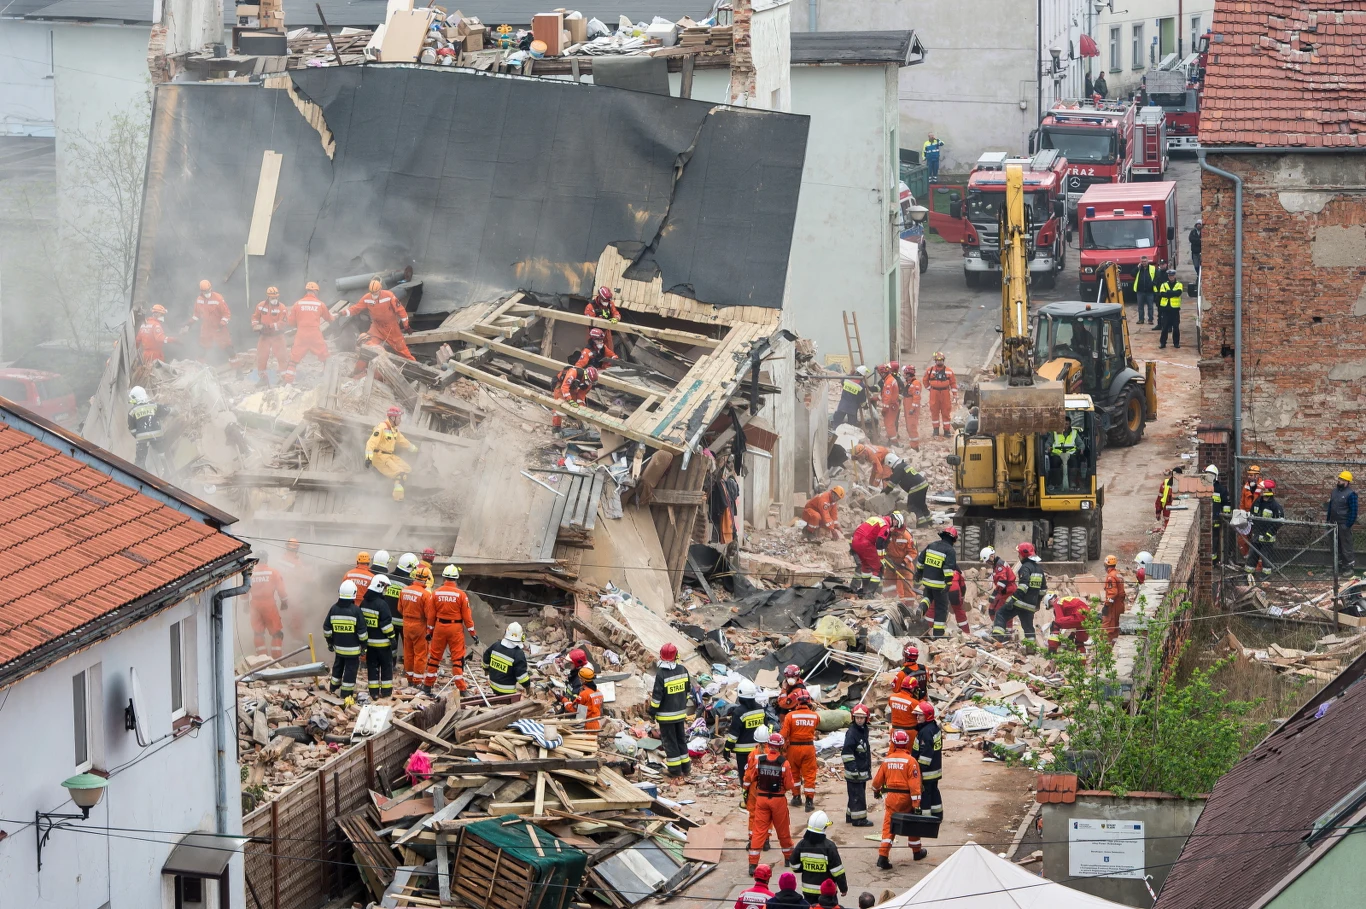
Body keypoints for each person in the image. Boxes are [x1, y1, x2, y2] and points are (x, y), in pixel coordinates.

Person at [872, 730, 925, 869]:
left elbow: (876, 782)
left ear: (893, 743)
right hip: (906, 798)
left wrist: (876, 792)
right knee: (912, 824)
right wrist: (916, 804)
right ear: (907, 743)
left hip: (891, 798)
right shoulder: (911, 761)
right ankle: (917, 852)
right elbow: (915, 784)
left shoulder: (887, 760)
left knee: (889, 827)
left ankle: (883, 856)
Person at [746, 732, 797, 872]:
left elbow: (752, 777)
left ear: (768, 745)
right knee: (783, 830)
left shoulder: (759, 761)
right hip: (778, 799)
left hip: (761, 799)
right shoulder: (784, 763)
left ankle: (753, 864)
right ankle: (788, 857)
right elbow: (789, 784)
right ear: (780, 747)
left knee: (758, 831)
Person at [650, 642, 700, 778]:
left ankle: (674, 771)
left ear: (661, 656)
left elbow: (656, 698)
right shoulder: (683, 670)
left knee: (670, 742)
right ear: (676, 655)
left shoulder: (661, 674)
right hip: (680, 714)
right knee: (681, 740)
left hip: (666, 717)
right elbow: (687, 692)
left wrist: (651, 712)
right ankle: (686, 768)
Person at [423, 565, 475, 693]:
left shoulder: (436, 593)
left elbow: (431, 616)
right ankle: (462, 689)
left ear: (444, 577)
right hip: (455, 628)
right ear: (456, 579)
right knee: (457, 658)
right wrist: (473, 633)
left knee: (435, 657)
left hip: (439, 627)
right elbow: (467, 617)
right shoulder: (461, 595)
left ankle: (427, 686)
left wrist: (429, 631)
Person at [788, 811, 848, 903]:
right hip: (827, 893)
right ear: (824, 827)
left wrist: (806, 867)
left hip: (807, 892)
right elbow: (837, 871)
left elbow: (794, 866)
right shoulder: (829, 846)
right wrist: (843, 888)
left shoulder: (802, 844)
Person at [324, 580, 368, 703]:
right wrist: (364, 646)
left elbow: (327, 628)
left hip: (339, 648)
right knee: (350, 670)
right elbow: (362, 632)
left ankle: (333, 687)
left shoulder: (333, 609)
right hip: (352, 650)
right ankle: (346, 693)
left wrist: (330, 642)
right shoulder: (356, 611)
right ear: (354, 594)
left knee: (338, 666)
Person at [348, 277, 414, 360]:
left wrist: (406, 325)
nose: (373, 295)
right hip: (376, 326)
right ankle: (368, 364)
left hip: (391, 327)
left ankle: (415, 366)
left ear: (380, 289)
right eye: (372, 293)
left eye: (375, 293)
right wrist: (343, 313)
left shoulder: (389, 296)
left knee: (402, 351)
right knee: (369, 346)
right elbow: (356, 308)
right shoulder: (367, 298)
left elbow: (400, 310)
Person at [284, 282, 335, 384]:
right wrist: (334, 316)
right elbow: (329, 318)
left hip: (301, 334)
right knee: (324, 355)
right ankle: (327, 377)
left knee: (294, 358)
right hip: (315, 334)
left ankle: (288, 381)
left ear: (307, 291)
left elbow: (291, 322)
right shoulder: (320, 304)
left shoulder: (297, 304)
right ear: (316, 291)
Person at [915, 525, 960, 638]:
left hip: (927, 581)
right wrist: (948, 583)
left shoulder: (932, 545)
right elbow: (948, 569)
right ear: (953, 539)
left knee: (928, 597)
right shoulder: (950, 551)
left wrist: (918, 573)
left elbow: (920, 559)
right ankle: (938, 634)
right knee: (942, 607)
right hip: (939, 584)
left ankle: (921, 608)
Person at [779, 689, 822, 810]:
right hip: (808, 748)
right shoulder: (815, 716)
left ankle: (796, 797)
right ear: (809, 701)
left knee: (794, 773)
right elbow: (816, 726)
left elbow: (784, 734)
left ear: (796, 702)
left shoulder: (790, 716)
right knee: (809, 774)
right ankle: (809, 801)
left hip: (793, 748)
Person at [366, 405, 419, 501]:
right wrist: (368, 458)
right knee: (399, 474)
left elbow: (403, 441)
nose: (400, 420)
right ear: (392, 418)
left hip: (389, 456)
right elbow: (371, 443)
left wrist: (415, 449)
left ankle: (399, 487)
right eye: (399, 418)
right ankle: (398, 498)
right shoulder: (381, 427)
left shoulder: (394, 429)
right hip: (379, 457)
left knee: (408, 469)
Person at [995, 542, 1044, 643]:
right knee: (1028, 627)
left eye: (1019, 553)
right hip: (1031, 605)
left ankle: (997, 637)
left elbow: (1023, 587)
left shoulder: (1024, 568)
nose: (1018, 555)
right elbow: (1043, 590)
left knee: (1001, 613)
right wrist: (1037, 604)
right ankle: (1031, 647)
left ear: (1023, 554)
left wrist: (1013, 600)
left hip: (1020, 602)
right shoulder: (1040, 570)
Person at [360, 575, 397, 700]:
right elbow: (386, 625)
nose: (386, 590)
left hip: (370, 644)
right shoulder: (382, 604)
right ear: (380, 587)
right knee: (386, 667)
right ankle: (386, 692)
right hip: (383, 644)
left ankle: (374, 692)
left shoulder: (364, 603)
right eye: (385, 587)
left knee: (372, 667)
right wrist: (392, 638)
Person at [725, 680, 769, 781]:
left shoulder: (738, 712)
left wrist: (727, 749)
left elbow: (733, 735)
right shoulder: (760, 709)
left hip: (743, 753)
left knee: (746, 776)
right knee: (759, 775)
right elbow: (765, 728)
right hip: (760, 749)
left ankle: (747, 796)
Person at [249, 552, 289, 658]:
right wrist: (284, 602)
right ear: (266, 559)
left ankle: (262, 660)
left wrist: (244, 605)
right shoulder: (273, 572)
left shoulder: (250, 573)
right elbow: (281, 590)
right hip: (269, 605)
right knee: (277, 633)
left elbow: (244, 591)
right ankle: (276, 659)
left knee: (258, 633)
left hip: (254, 605)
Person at [398, 567, 434, 684]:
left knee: (408, 651)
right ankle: (417, 679)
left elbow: (400, 608)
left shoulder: (404, 590)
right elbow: (429, 614)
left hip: (406, 625)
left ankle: (409, 677)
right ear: (426, 579)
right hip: (419, 625)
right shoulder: (425, 594)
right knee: (420, 653)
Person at [841, 704, 873, 827]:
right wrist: (853, 769)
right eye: (857, 717)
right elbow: (847, 753)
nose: (859, 720)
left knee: (854, 795)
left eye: (862, 717)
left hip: (861, 770)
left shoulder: (863, 730)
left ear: (866, 718)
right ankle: (859, 819)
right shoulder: (852, 733)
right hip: (855, 772)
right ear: (853, 718)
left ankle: (850, 815)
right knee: (857, 796)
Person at [251, 286, 289, 385]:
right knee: (261, 358)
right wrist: (255, 325)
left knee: (282, 357)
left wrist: (269, 326)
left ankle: (284, 378)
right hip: (264, 337)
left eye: (276, 298)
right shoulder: (260, 306)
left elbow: (282, 323)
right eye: (272, 298)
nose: (274, 300)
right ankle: (263, 379)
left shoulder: (282, 308)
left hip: (277, 336)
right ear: (268, 297)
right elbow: (255, 317)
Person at [483, 621, 532, 697]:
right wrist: (527, 686)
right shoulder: (518, 653)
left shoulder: (496, 645)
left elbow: (486, 657)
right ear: (522, 637)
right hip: (507, 690)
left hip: (493, 685)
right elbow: (521, 676)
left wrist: (486, 669)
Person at [1246, 479, 1284, 577]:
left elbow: (1280, 522)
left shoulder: (1275, 506)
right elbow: (1251, 515)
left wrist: (1269, 533)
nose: (1261, 492)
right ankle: (1249, 574)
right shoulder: (1257, 502)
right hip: (1256, 535)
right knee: (1252, 555)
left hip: (1267, 538)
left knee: (1265, 557)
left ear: (1269, 491)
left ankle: (1266, 575)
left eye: (1263, 490)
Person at [127, 386, 171, 470]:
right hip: (157, 437)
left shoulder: (132, 411)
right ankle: (166, 471)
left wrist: (138, 436)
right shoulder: (154, 406)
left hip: (142, 440)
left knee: (140, 460)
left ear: (135, 398)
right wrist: (174, 411)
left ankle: (141, 475)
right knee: (162, 454)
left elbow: (131, 429)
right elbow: (166, 411)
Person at [850, 513, 894, 597]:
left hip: (856, 541)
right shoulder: (885, 526)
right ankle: (869, 594)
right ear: (894, 521)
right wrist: (881, 559)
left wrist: (852, 546)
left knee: (866, 566)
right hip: (865, 544)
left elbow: (859, 530)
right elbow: (879, 543)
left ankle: (865, 590)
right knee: (879, 568)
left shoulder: (874, 519)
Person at [912, 701, 943, 819]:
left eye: (920, 715)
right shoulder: (934, 727)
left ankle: (925, 817)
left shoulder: (925, 732)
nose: (917, 717)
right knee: (934, 791)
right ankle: (937, 814)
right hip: (935, 769)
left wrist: (919, 770)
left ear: (927, 716)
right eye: (917, 715)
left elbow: (925, 755)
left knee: (925, 794)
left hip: (927, 771)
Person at [191, 279, 233, 364]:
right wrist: (189, 323)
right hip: (207, 328)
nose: (206, 293)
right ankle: (201, 369)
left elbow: (227, 313)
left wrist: (222, 323)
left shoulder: (218, 298)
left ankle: (238, 370)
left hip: (219, 328)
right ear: (201, 291)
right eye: (204, 291)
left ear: (211, 288)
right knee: (202, 348)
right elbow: (196, 314)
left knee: (228, 348)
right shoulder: (199, 300)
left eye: (207, 290)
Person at [884, 454, 931, 526]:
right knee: (921, 505)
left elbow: (891, 485)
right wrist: (890, 478)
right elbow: (901, 476)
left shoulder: (898, 468)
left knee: (912, 506)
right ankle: (929, 521)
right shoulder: (903, 465)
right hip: (923, 484)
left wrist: (886, 491)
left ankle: (922, 524)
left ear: (890, 463)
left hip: (916, 487)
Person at [552, 364, 600, 434]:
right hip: (561, 385)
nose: (589, 384)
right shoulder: (573, 372)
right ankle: (556, 427)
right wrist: (569, 400)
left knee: (576, 404)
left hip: (573, 387)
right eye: (589, 382)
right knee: (559, 406)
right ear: (586, 376)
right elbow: (564, 388)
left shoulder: (588, 384)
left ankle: (579, 423)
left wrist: (581, 408)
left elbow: (581, 395)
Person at [1327, 471, 1358, 575]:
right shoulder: (1334, 492)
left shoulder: (1351, 494)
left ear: (1346, 482)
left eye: (1341, 479)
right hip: (1333, 524)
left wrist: (1347, 525)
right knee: (1335, 546)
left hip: (1343, 524)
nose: (1338, 480)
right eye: (1339, 478)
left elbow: (1353, 511)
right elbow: (1330, 507)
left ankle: (1348, 568)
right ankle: (1337, 566)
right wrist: (1328, 521)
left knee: (1346, 547)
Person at [881, 518, 919, 602]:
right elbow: (882, 548)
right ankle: (889, 602)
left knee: (907, 586)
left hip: (905, 565)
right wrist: (888, 560)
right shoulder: (888, 535)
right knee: (889, 584)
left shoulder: (907, 536)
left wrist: (904, 562)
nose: (899, 533)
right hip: (891, 563)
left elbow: (913, 552)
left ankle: (910, 606)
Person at [981, 546, 1017, 628]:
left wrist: (994, 593)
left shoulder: (999, 565)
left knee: (999, 611)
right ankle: (1000, 628)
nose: (987, 563)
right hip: (1004, 591)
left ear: (991, 556)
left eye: (987, 561)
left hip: (1007, 591)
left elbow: (1002, 582)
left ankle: (1002, 630)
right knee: (994, 610)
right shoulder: (997, 565)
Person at [924, 352, 957, 437]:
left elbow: (953, 383)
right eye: (938, 360)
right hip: (934, 393)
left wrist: (955, 394)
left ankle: (946, 430)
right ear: (935, 361)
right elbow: (925, 381)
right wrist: (930, 389)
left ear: (943, 360)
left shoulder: (949, 371)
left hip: (945, 393)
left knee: (946, 411)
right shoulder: (930, 370)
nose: (939, 362)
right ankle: (936, 430)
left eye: (941, 360)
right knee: (934, 411)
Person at [1205, 465, 1231, 565]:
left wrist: (1226, 515)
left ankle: (1213, 560)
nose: (1209, 477)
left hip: (1216, 520)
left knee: (1214, 541)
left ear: (1215, 477)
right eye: (1208, 475)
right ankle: (1208, 560)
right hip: (1205, 520)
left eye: (1211, 475)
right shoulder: (1202, 487)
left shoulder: (1221, 489)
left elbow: (1226, 503)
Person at [585, 287, 621, 359]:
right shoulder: (591, 307)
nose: (606, 302)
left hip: (606, 332)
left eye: (608, 300)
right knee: (593, 353)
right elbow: (589, 321)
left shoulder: (609, 304)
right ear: (600, 297)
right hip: (594, 333)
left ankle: (607, 367)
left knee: (609, 352)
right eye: (605, 300)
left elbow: (615, 312)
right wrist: (602, 319)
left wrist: (616, 318)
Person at [1049, 418, 1082, 490]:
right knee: (1054, 462)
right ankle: (1056, 483)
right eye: (1063, 424)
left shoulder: (1074, 433)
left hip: (1070, 454)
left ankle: (1072, 482)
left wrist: (1081, 448)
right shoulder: (1054, 433)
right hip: (1057, 454)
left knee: (1074, 462)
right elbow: (1048, 443)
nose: (1064, 426)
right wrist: (1048, 447)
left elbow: (1081, 444)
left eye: (1066, 424)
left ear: (1070, 424)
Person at [1158, 268, 1184, 349]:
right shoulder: (1164, 284)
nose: (1171, 277)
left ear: (1174, 276)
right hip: (1166, 310)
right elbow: (1162, 294)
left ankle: (1176, 343)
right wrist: (1172, 293)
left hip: (1175, 310)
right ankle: (1163, 343)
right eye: (1169, 276)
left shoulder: (1179, 284)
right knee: (1164, 327)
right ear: (1168, 276)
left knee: (1176, 327)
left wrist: (1168, 292)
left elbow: (1178, 293)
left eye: (1172, 276)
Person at [1103, 555, 1125, 642]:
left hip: (1113, 606)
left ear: (1106, 565)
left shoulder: (1111, 577)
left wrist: (1107, 605)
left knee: (1107, 629)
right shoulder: (1117, 574)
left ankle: (1105, 652)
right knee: (1116, 627)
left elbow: (1113, 593)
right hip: (1120, 604)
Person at [878, 362, 902, 443]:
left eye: (880, 373)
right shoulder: (890, 379)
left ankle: (894, 442)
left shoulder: (888, 382)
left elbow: (887, 397)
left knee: (889, 424)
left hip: (891, 406)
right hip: (893, 405)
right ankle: (891, 440)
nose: (880, 375)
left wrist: (884, 408)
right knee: (890, 423)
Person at [900, 364, 922, 449]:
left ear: (909, 374)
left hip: (912, 410)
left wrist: (912, 409)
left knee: (912, 426)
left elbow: (916, 398)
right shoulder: (909, 383)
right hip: (908, 408)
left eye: (905, 374)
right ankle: (912, 444)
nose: (904, 375)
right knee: (909, 426)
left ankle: (915, 446)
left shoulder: (915, 384)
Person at [1132, 256, 1159, 325]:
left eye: (1145, 261)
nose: (1143, 263)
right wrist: (1137, 268)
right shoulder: (1139, 269)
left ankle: (1150, 319)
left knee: (1150, 306)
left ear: (1148, 261)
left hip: (1149, 291)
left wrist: (1152, 284)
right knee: (1140, 307)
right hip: (1140, 291)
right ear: (1140, 262)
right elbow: (1132, 274)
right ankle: (1141, 319)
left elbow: (1157, 277)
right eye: (1142, 261)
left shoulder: (1152, 268)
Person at [945, 568, 972, 635]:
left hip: (943, 590)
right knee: (959, 610)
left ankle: (937, 630)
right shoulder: (957, 572)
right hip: (954, 591)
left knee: (940, 608)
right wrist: (962, 597)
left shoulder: (939, 569)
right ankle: (965, 631)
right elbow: (963, 586)